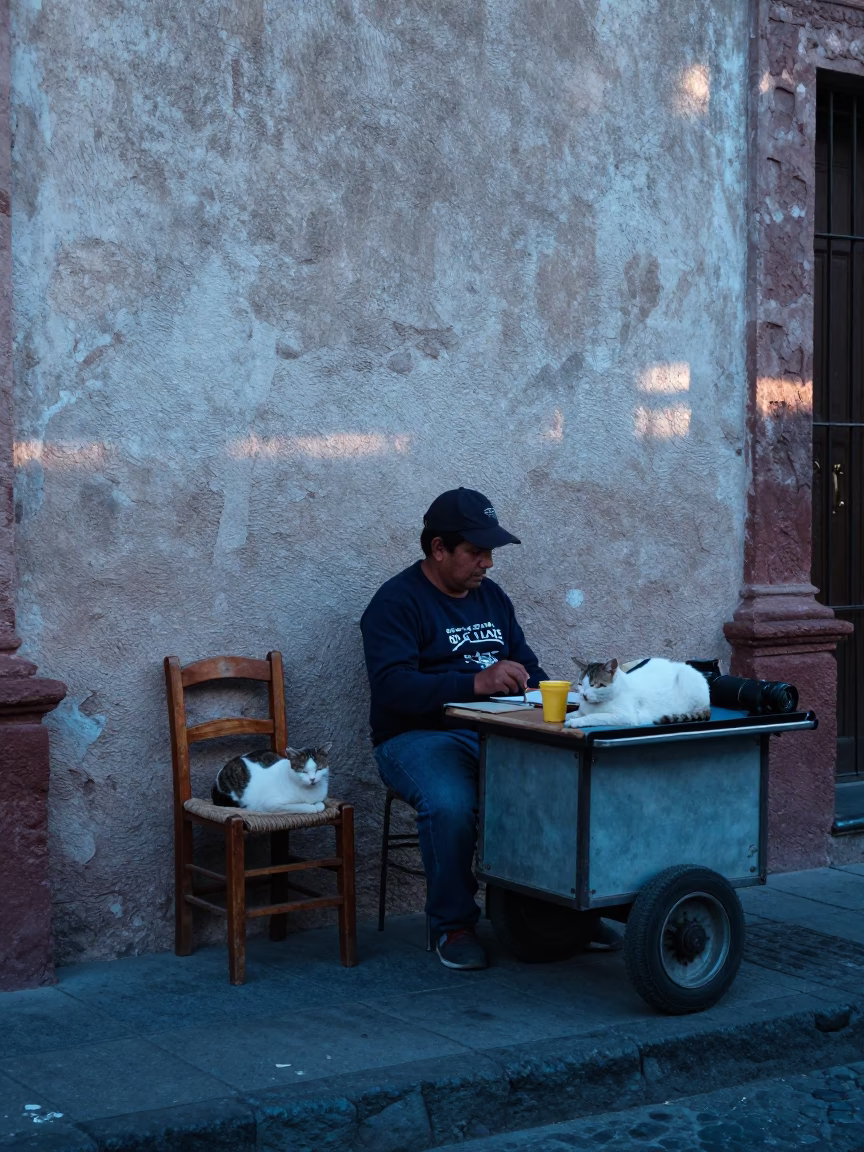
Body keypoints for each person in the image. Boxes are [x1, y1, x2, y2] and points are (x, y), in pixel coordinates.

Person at [361, 487, 619, 969]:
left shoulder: (492, 598)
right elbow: (393, 689)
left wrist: (557, 699)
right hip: (417, 738)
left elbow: (528, 666)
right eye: (476, 552)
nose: (488, 564)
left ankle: (565, 914)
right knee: (450, 804)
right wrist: (474, 681)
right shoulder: (395, 603)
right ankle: (453, 926)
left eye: (490, 553)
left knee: (569, 783)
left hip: (496, 731)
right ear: (438, 548)